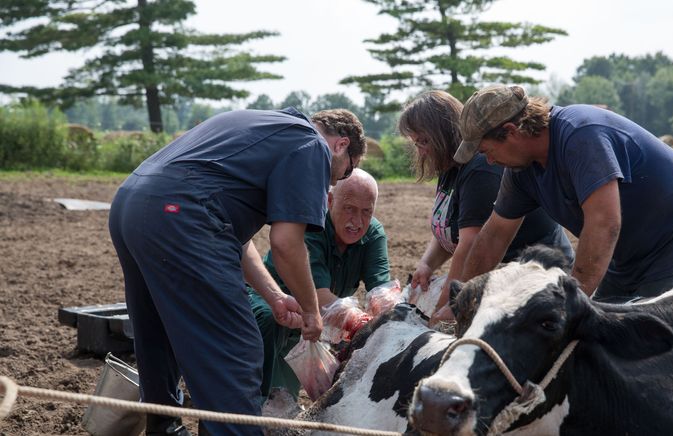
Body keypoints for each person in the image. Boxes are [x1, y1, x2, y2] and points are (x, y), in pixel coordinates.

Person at [108, 107, 366, 435]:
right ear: (342, 145)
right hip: (179, 212)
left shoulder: (265, 127)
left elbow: (233, 236)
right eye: (346, 173)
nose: (337, 180)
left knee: (158, 335)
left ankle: (164, 428)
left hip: (132, 202)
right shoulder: (312, 145)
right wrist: (313, 313)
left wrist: (274, 296)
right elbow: (287, 244)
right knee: (236, 349)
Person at [455, 85, 673, 301]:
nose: (488, 162)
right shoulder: (520, 171)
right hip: (627, 252)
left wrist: (571, 300)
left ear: (510, 132)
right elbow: (493, 236)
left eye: (486, 151)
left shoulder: (580, 134)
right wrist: (463, 299)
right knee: (600, 342)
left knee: (653, 346)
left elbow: (604, 223)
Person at [397, 90, 574, 324]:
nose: (420, 151)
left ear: (441, 134)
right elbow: (451, 229)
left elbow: (470, 244)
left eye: (424, 141)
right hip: (496, 271)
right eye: (416, 143)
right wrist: (427, 263)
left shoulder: (481, 169)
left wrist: (444, 313)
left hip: (534, 271)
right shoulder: (450, 168)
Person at [248, 168, 390, 401]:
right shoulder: (311, 226)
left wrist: (394, 319)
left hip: (312, 322)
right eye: (349, 209)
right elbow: (319, 297)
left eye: (367, 212)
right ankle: (252, 401)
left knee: (286, 399)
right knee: (268, 322)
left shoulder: (373, 234)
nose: (357, 221)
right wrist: (361, 323)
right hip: (272, 302)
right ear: (330, 201)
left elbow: (382, 294)